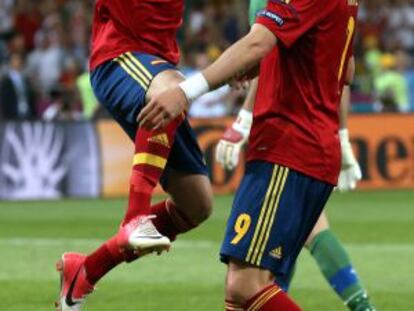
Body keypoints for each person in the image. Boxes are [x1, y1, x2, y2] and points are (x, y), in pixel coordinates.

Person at [139, 0, 360, 309]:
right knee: (247, 294)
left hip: (289, 147)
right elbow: (344, 68)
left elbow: (258, 42)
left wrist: (184, 92)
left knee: (244, 285)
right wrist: (264, 66)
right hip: (310, 148)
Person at [214, 2, 376, 310]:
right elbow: (344, 69)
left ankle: (362, 307)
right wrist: (341, 137)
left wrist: (241, 118)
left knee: (247, 281)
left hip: (289, 138)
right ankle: (363, 307)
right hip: (311, 137)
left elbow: (262, 47)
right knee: (253, 278)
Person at [55, 1, 213, 310]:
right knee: (173, 89)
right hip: (118, 57)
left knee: (197, 204)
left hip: (159, 66)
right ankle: (134, 218)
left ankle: (86, 270)